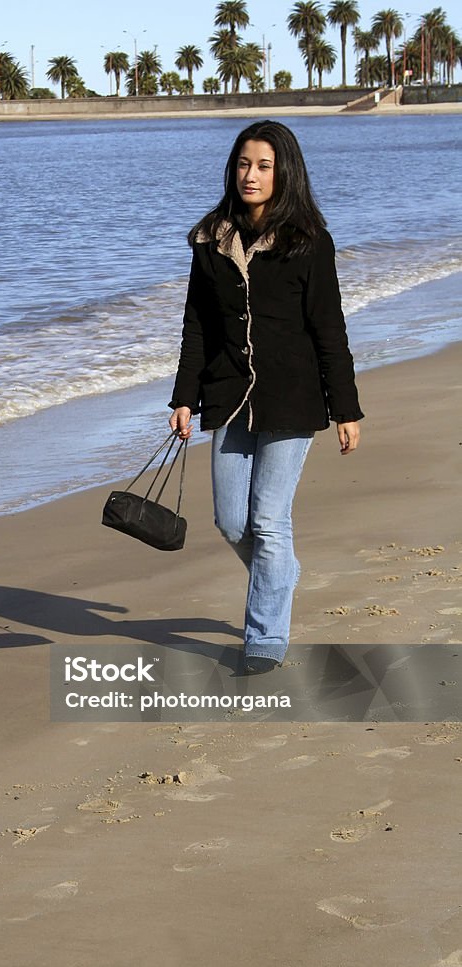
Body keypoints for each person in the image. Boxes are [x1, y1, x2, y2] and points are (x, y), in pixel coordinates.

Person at [168, 120, 363, 674]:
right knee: (232, 523)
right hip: (228, 396)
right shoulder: (211, 240)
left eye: (263, 166)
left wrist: (346, 409)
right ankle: (280, 574)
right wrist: (184, 397)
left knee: (270, 522)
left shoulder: (308, 242)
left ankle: (264, 638)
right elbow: (197, 326)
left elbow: (329, 329)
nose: (250, 175)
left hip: (293, 398)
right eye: (243, 164)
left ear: (285, 173)